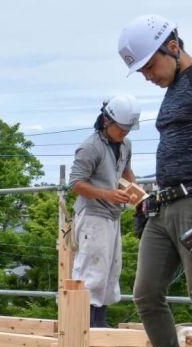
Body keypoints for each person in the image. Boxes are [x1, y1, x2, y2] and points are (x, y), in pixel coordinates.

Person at [119, 14, 192, 347]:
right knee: (146, 292)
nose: (148, 75)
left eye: (150, 65)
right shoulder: (173, 93)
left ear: (174, 48)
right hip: (164, 204)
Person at [68, 94, 140, 328]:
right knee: (91, 268)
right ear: (107, 121)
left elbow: (126, 171)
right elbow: (76, 184)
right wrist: (108, 193)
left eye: (128, 129)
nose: (125, 133)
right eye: (122, 128)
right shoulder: (90, 147)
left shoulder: (125, 144)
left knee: (110, 268)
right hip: (92, 215)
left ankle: (99, 321)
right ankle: (84, 323)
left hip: (112, 214)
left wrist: (136, 192)